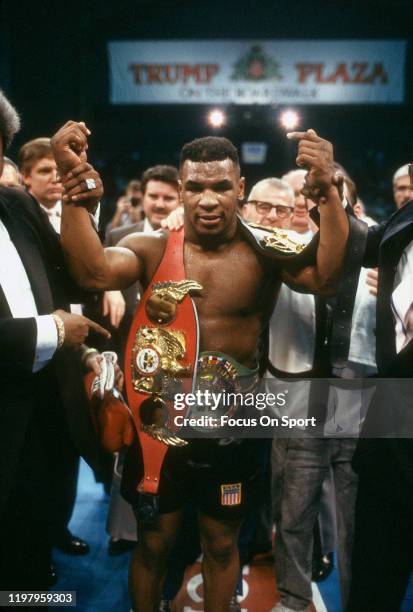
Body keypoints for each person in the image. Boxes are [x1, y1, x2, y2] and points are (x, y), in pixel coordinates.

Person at [51, 121, 349, 612]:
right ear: (182, 191)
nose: (207, 200)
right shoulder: (151, 249)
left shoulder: (265, 250)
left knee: (222, 546)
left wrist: (328, 194)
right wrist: (73, 194)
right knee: (152, 545)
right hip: (159, 433)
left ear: (240, 189)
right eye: (195, 187)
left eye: (220, 187)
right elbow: (92, 272)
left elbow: (326, 277)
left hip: (232, 432)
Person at [0, 92, 110, 590]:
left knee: (27, 558)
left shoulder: (18, 205)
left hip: (38, 413)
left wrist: (79, 190)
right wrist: (58, 331)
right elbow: (58, 318)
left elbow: (76, 278)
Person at [346, 161, 413, 611]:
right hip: (394, 417)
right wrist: (331, 194)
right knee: (376, 576)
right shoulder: (402, 225)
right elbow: (356, 244)